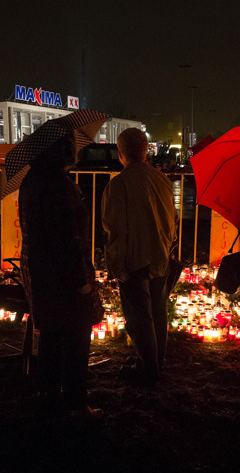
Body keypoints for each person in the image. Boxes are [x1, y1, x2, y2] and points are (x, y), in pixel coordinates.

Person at [18, 134, 103, 419]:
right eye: (71, 147)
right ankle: (77, 404)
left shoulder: (31, 181)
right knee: (77, 340)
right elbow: (68, 241)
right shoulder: (59, 187)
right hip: (63, 278)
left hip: (41, 273)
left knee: (51, 335)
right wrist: (82, 282)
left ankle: (49, 392)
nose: (75, 151)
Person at [101, 128, 176, 383]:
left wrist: (115, 264)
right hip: (160, 255)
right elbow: (172, 221)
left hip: (135, 258)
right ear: (146, 151)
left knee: (139, 317)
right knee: (157, 313)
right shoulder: (162, 180)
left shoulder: (119, 184)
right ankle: (157, 363)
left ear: (120, 154)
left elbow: (115, 230)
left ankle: (148, 368)